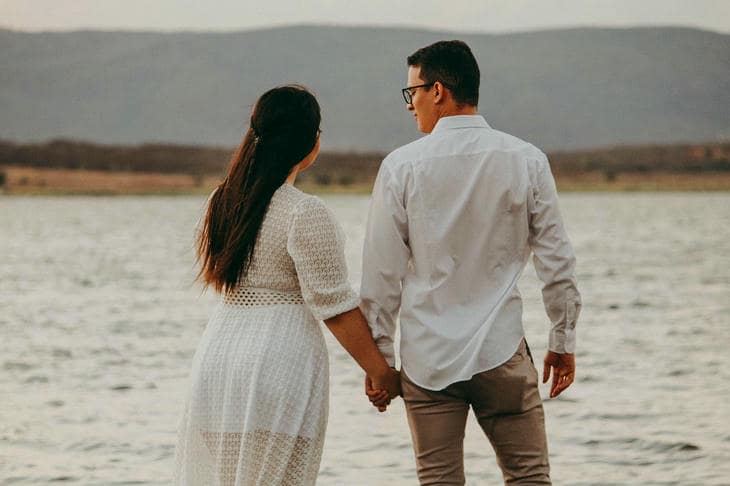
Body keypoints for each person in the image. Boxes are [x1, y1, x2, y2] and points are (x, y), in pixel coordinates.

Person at [360, 41, 582, 485]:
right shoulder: (526, 159)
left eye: (412, 93)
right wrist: (562, 338)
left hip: (428, 360)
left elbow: (381, 276)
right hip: (501, 350)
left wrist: (380, 362)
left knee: (438, 480)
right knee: (529, 478)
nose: (410, 105)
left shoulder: (401, 167)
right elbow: (557, 261)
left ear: (438, 91)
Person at [174, 85, 400, 486]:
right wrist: (381, 373)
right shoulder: (304, 212)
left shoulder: (219, 202)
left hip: (218, 361)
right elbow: (335, 306)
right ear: (311, 142)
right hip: (277, 363)